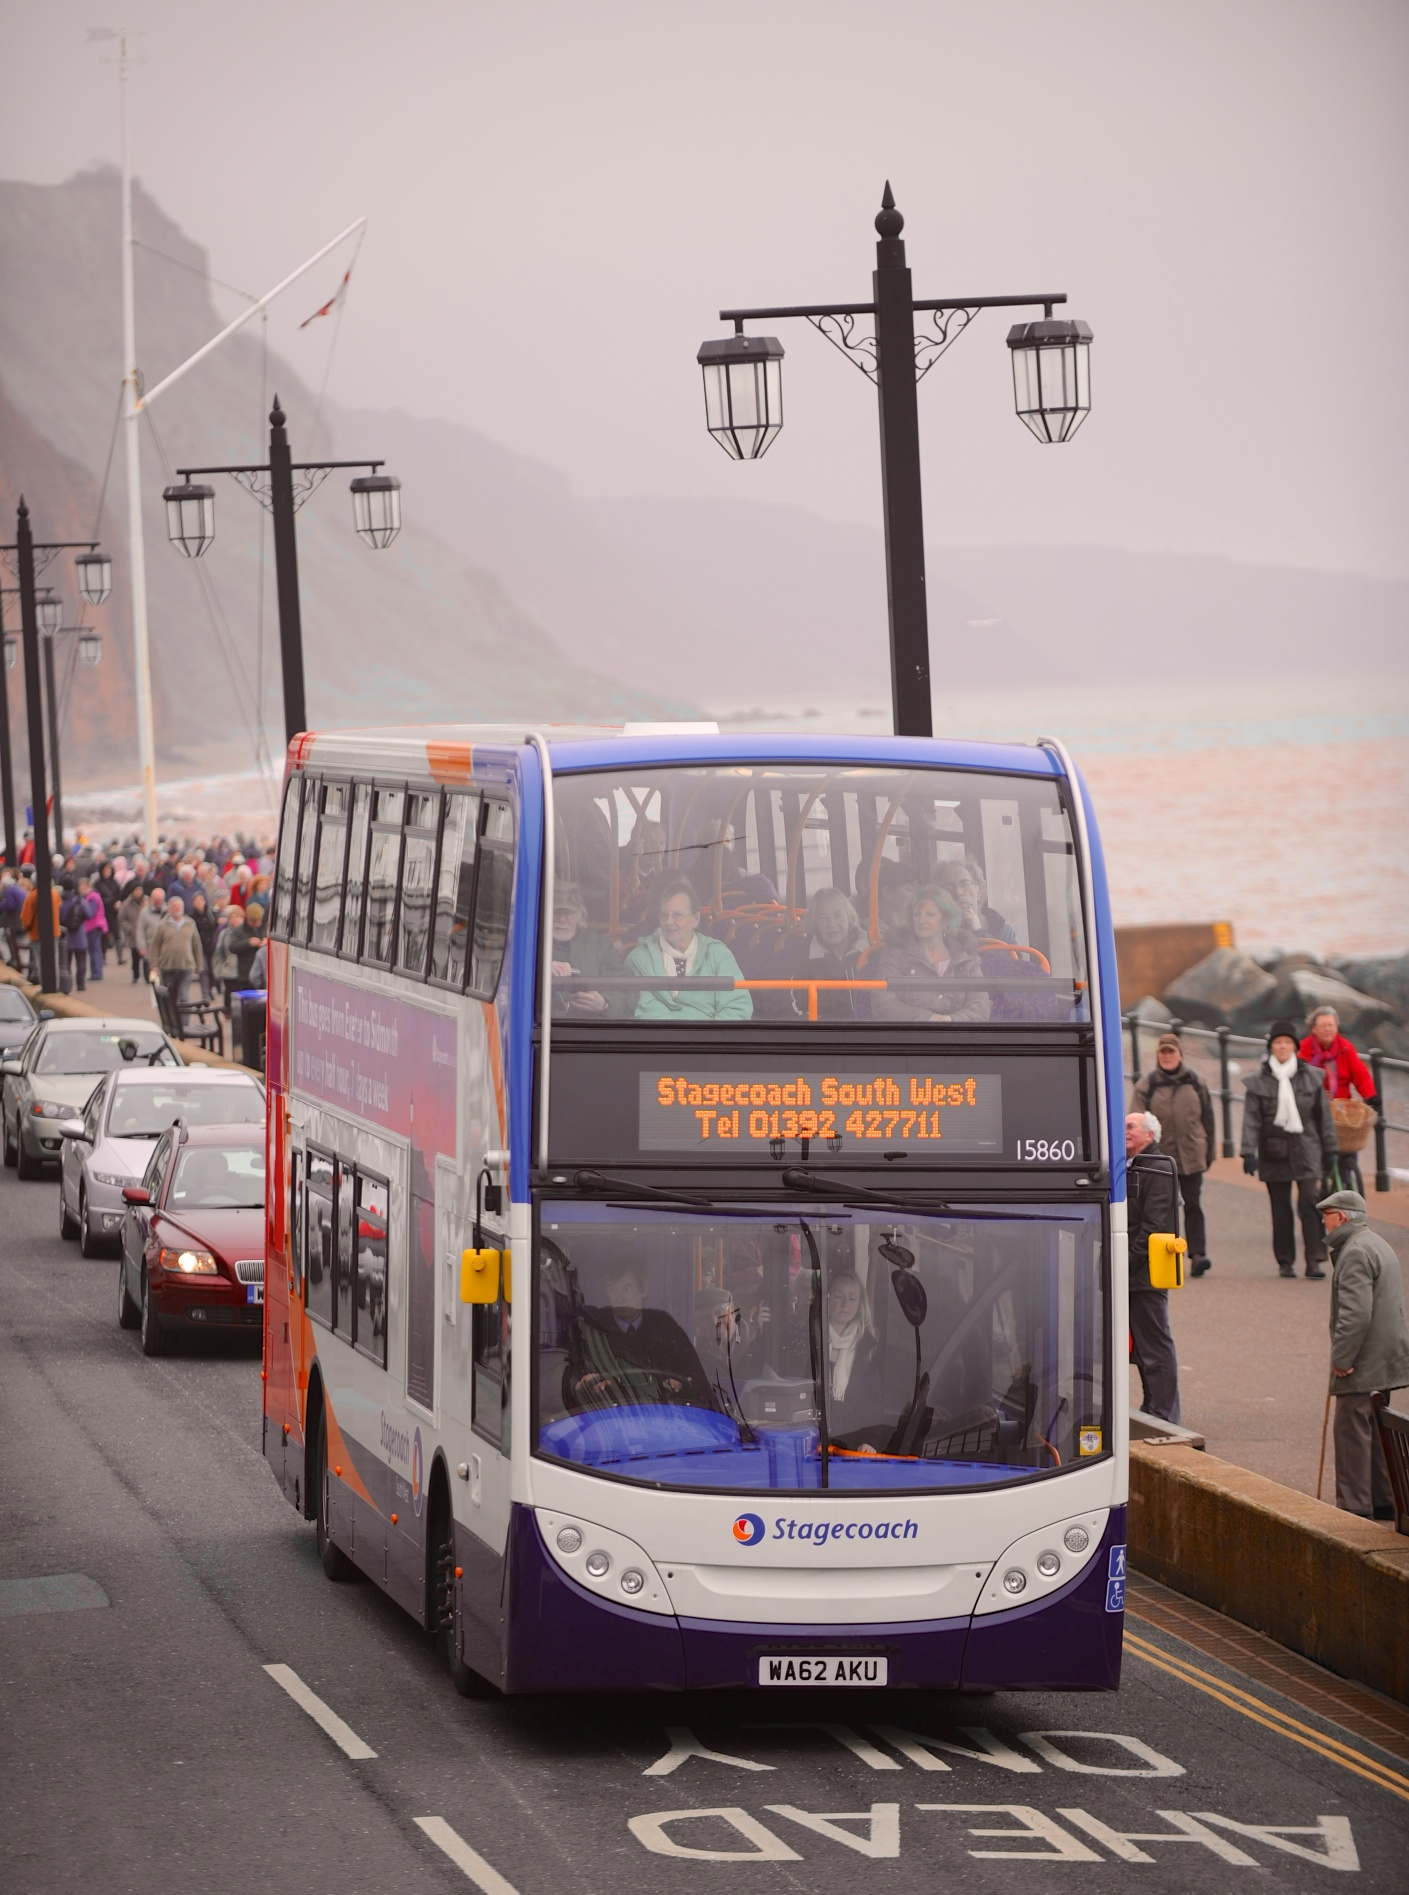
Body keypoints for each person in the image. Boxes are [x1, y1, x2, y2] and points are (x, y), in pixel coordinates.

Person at [1320, 1189, 1409, 1520]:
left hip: (1364, 1357)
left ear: (1341, 1217)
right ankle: (1383, 1500)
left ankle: (1354, 1506)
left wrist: (1342, 1359)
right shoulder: (1374, 1242)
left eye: (1327, 1216)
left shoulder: (1354, 1252)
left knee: (1351, 1431)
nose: (1324, 1223)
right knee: (1375, 1426)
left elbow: (1355, 1314)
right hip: (1386, 1354)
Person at [1241, 1020, 1337, 1279]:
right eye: (1277, 1043)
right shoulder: (1258, 1081)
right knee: (1280, 1209)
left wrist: (1330, 1149)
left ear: (1295, 1047)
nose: (1282, 1047)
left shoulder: (1312, 1077)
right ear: (1271, 1047)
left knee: (1310, 1203)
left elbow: (1323, 1117)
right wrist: (1248, 1152)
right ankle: (1285, 1261)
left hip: (1307, 1148)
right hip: (1273, 1150)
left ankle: (1315, 1259)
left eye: (1287, 1043)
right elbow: (1251, 1119)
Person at [563, 1257, 711, 1411]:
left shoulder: (665, 1326)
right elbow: (574, 1375)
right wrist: (584, 1381)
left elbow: (692, 1371)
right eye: (612, 1289)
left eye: (626, 1289)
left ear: (643, 1289)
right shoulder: (591, 1329)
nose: (619, 1298)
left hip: (665, 1416)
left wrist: (681, 1383)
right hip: (611, 1418)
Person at [1132, 1032, 1217, 1277]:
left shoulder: (1196, 1082)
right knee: (1163, 1209)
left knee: (1193, 1205)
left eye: (1171, 1052)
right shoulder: (1146, 1086)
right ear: (1158, 1055)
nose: (1167, 1056)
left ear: (1180, 1055)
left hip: (1192, 1154)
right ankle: (1166, 1257)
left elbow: (1208, 1119)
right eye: (1163, 1052)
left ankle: (1198, 1255)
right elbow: (1135, 1123)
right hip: (1159, 1160)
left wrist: (1208, 1153)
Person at [624, 876, 753, 1021]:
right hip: (662, 1040)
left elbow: (737, 1005)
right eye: (664, 915)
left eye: (677, 915)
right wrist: (679, 1038)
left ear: (695, 919)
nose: (669, 922)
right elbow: (645, 1007)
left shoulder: (718, 954)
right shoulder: (639, 959)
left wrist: (710, 1038)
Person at [1126, 1110, 1182, 1422]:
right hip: (1136, 1270)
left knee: (1155, 1345)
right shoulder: (1134, 1166)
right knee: (1143, 1346)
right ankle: (1153, 1406)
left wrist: (1124, 1263)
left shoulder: (1159, 1168)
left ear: (1150, 1135)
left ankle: (1164, 1412)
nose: (1124, 1131)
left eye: (1131, 1126)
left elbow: (1154, 1227)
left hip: (1146, 1273)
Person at [872, 885, 991, 1023]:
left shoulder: (966, 954)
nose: (921, 920)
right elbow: (882, 1003)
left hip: (958, 1036)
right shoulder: (895, 954)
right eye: (917, 914)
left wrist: (951, 1021)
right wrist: (927, 1018)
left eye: (930, 914)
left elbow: (980, 1006)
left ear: (946, 919)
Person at [1300, 1007, 1382, 1200]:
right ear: (1313, 1029)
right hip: (1314, 1105)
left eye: (1331, 1025)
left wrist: (1371, 1096)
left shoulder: (1345, 1047)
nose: (1328, 1029)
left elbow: (1360, 1074)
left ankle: (1347, 1175)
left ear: (1337, 1027)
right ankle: (1320, 1180)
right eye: (1323, 1025)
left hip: (1341, 1106)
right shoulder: (1304, 1049)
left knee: (1349, 1146)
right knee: (1316, 1147)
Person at [779, 887, 869, 1018]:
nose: (831, 924)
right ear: (815, 923)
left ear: (849, 917)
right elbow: (789, 1002)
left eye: (838, 915)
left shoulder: (871, 951)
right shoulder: (802, 955)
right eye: (823, 918)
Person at [824, 1268, 884, 1446]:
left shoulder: (869, 1346)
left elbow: (874, 1404)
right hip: (811, 1444)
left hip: (853, 1446)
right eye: (838, 1296)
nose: (845, 1304)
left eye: (852, 1298)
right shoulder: (809, 1337)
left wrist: (870, 1443)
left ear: (859, 1304)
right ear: (827, 1298)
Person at [549, 881, 621, 1015]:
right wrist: (542, 971)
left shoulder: (602, 946)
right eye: (555, 912)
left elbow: (624, 990)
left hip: (592, 1030)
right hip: (544, 1029)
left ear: (580, 915)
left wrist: (605, 1003)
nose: (562, 919)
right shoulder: (530, 946)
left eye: (569, 913)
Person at [935, 856, 1019, 945]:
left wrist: (979, 932)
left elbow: (1008, 959)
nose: (958, 892)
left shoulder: (1002, 929)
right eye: (949, 888)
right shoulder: (933, 932)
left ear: (978, 892)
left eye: (965, 884)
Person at [152, 893, 204, 1014]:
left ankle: (184, 1026)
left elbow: (196, 946)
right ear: (169, 908)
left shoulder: (190, 923)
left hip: (187, 967)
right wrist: (154, 965)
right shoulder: (162, 925)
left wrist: (199, 965)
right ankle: (172, 1025)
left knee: (184, 997)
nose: (176, 908)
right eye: (174, 906)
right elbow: (155, 946)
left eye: (179, 906)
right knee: (170, 998)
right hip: (167, 967)